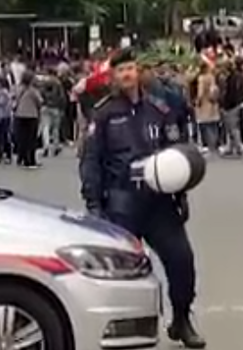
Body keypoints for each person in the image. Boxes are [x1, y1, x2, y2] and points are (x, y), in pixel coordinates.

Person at [80, 48, 206, 348]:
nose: (127, 75)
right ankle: (121, 329)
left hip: (159, 204)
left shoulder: (160, 110)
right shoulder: (104, 114)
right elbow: (90, 163)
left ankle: (182, 319)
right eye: (120, 71)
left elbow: (177, 155)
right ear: (113, 76)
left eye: (131, 69)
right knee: (122, 273)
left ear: (138, 72)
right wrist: (94, 205)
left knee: (182, 261)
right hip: (122, 206)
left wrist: (181, 192)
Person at [12, 71, 44, 169]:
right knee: (31, 139)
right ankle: (30, 160)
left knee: (22, 139)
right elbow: (40, 101)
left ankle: (21, 158)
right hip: (31, 116)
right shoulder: (33, 90)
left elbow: (13, 99)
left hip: (19, 115)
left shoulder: (18, 89)